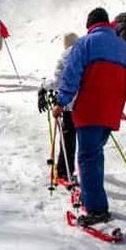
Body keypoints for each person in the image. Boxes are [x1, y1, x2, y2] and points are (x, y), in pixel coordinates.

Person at [53, 7, 126, 226]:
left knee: (87, 158)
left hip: (88, 110)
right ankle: (90, 195)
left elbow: (71, 75)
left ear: (90, 26)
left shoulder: (84, 44)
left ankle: (96, 209)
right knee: (95, 155)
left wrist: (61, 101)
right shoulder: (125, 50)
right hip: (111, 113)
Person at [52, 32, 79, 186]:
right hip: (86, 103)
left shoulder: (65, 56)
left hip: (69, 103)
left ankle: (64, 171)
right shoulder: (86, 53)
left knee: (68, 136)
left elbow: (58, 82)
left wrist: (44, 86)